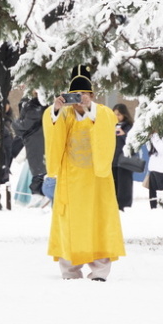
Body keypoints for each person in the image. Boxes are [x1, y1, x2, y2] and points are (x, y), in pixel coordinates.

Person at [43, 64, 125, 280]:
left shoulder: (102, 113)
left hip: (97, 181)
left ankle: (99, 270)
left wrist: (91, 108)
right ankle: (70, 270)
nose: (79, 99)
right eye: (75, 95)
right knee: (68, 223)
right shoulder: (65, 115)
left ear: (91, 95)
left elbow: (107, 125)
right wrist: (56, 109)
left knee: (99, 221)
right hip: (70, 179)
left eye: (84, 94)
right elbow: (52, 130)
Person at [14, 92, 50, 205]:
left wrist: (14, 124)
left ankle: (38, 194)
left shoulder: (33, 106)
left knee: (38, 171)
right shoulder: (37, 105)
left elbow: (24, 125)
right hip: (39, 146)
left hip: (36, 146)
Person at [111, 103, 135, 210]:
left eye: (119, 114)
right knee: (114, 185)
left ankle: (124, 206)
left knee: (124, 185)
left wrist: (124, 134)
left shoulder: (130, 127)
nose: (116, 117)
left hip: (125, 161)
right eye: (114, 114)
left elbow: (133, 143)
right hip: (113, 161)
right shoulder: (110, 125)